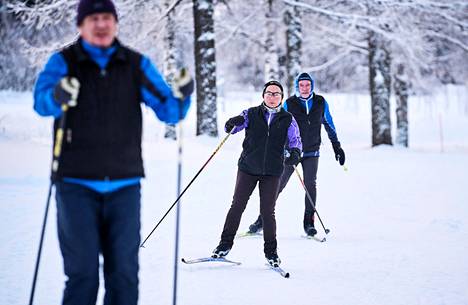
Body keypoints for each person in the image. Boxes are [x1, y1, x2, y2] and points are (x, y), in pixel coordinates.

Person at [33, 0, 193, 304]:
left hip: (124, 186)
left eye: (107, 17)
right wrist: (58, 94)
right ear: (81, 25)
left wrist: (183, 96)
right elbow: (41, 103)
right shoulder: (64, 63)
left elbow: (169, 110)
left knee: (124, 276)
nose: (101, 24)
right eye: (93, 18)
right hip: (75, 184)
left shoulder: (135, 64)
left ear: (116, 23)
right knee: (82, 275)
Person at [211, 80, 302, 267]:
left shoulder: (288, 119)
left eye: (276, 94)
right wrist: (231, 123)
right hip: (248, 168)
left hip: (272, 171)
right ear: (263, 95)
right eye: (269, 93)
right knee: (237, 206)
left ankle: (271, 253)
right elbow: (233, 128)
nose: (272, 96)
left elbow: (296, 141)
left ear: (281, 97)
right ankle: (224, 245)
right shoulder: (251, 113)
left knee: (268, 212)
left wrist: (295, 153)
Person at [247, 72, 345, 237]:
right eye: (301, 85)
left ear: (311, 86)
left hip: (312, 151)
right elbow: (279, 126)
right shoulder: (289, 103)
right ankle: (262, 220)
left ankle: (309, 222)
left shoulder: (321, 102)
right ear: (297, 87)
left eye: (307, 85)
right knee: (278, 185)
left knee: (310, 185)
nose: (305, 88)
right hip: (291, 152)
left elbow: (329, 123)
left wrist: (337, 146)